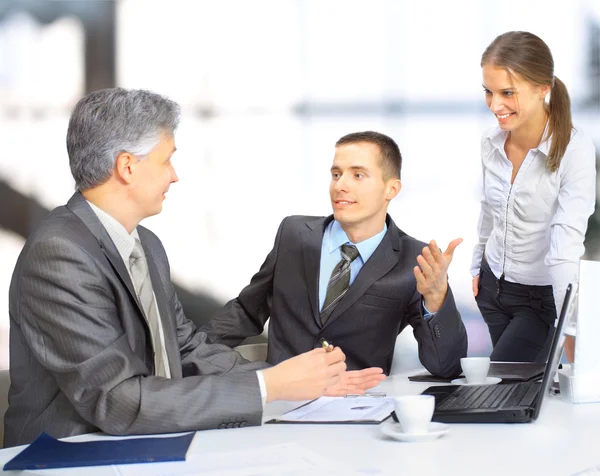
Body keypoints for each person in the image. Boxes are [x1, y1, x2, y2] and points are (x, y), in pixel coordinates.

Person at [4, 88, 381, 448]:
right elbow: (117, 400)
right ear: (127, 167)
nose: (174, 175)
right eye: (166, 159)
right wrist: (271, 387)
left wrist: (300, 379)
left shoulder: (145, 244)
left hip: (149, 442)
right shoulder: (59, 254)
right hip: (71, 457)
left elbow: (186, 349)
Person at [201, 131, 468, 377]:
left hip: (358, 406)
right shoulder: (294, 234)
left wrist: (435, 298)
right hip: (281, 401)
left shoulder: (414, 259)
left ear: (392, 189)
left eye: (358, 175)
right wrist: (184, 355)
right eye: (336, 174)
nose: (341, 185)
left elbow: (447, 367)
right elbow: (247, 312)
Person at [471, 31, 596, 363]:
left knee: (507, 389)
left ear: (543, 88)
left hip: (539, 300)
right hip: (492, 289)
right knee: (515, 396)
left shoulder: (575, 150)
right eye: (489, 91)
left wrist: (570, 326)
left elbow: (566, 245)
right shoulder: (490, 142)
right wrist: (476, 266)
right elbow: (489, 209)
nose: (495, 105)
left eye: (507, 93)